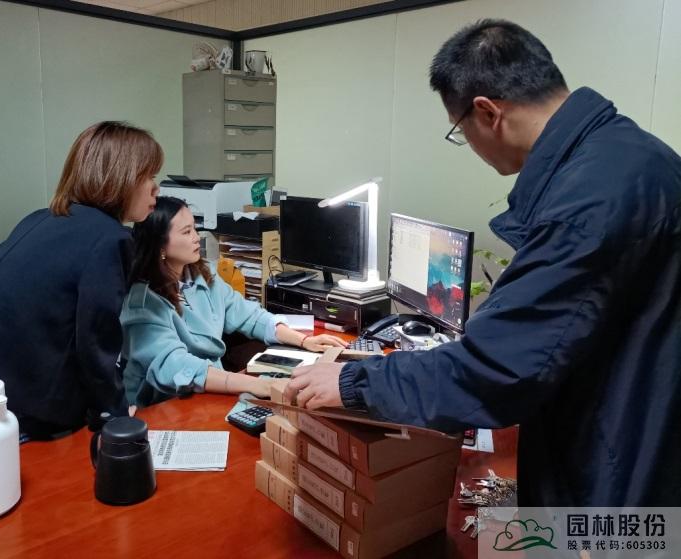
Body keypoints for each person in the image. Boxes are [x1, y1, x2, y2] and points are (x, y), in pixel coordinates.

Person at [285, 19, 681, 507]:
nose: (468, 145)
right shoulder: (631, 156)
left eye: (460, 132)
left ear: (488, 112)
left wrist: (353, 383)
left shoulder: (590, 201)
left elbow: (501, 368)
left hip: (616, 485)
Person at [0, 121, 163, 440]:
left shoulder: (43, 218)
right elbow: (96, 342)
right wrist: (115, 417)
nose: (156, 188)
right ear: (121, 179)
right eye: (149, 176)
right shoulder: (108, 239)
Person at [120, 196, 346, 407]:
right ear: (160, 246)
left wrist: (304, 340)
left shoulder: (203, 275)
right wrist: (259, 385)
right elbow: (176, 366)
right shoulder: (143, 303)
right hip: (161, 405)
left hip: (208, 391)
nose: (196, 237)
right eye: (187, 232)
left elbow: (249, 315)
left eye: (195, 228)